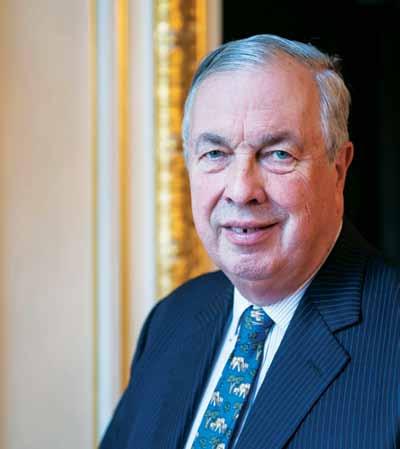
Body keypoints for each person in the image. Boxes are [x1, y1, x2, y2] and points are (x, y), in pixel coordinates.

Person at [100, 34, 399, 449]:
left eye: (278, 154)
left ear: (338, 170)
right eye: (215, 154)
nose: (241, 191)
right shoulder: (172, 320)